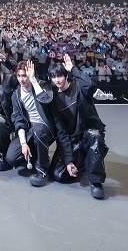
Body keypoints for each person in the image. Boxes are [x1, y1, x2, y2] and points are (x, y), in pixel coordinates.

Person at [48, 54, 109, 199]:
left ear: (66, 76)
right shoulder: (54, 99)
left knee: (94, 135)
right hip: (72, 140)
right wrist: (68, 161)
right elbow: (61, 132)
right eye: (54, 77)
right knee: (58, 174)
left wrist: (73, 69)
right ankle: (83, 162)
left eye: (60, 76)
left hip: (88, 134)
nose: (57, 80)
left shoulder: (79, 87)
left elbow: (90, 85)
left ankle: (95, 181)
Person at [8, 60, 56, 187]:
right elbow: (18, 119)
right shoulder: (16, 95)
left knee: (38, 130)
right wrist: (23, 143)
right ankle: (35, 154)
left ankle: (43, 169)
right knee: (11, 158)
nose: (21, 79)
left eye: (25, 75)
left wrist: (33, 80)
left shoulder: (42, 85)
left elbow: (46, 100)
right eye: (19, 75)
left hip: (45, 128)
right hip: (30, 130)